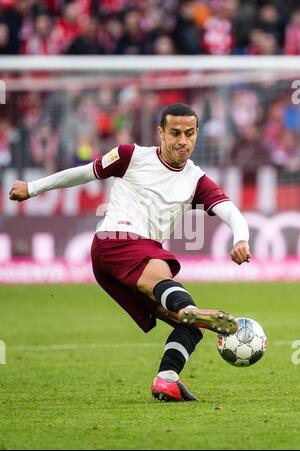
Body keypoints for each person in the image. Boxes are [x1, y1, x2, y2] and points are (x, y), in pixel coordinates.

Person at [9, 103, 251, 402]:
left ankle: (167, 379)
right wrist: (32, 188)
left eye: (189, 134)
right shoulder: (130, 155)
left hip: (119, 262)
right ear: (160, 132)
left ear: (197, 134)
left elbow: (231, 212)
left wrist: (241, 239)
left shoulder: (196, 180)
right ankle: (188, 308)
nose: (182, 141)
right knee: (173, 290)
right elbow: (84, 173)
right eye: (174, 133)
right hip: (118, 240)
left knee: (189, 329)